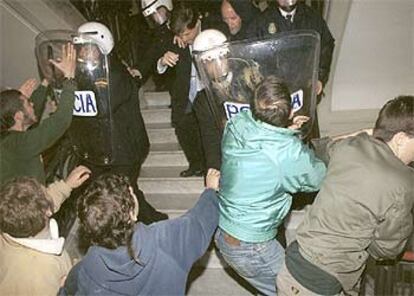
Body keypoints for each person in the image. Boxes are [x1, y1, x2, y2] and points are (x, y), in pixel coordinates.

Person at [276, 95, 414, 296]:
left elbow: (318, 151)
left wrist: (360, 137)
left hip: (293, 262)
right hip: (323, 281)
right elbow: (387, 249)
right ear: (400, 139)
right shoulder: (403, 182)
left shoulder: (351, 145)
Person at [214, 76, 326, 296]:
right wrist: (291, 135)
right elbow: (317, 177)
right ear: (291, 110)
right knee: (296, 292)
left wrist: (286, 128)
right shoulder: (287, 151)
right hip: (252, 246)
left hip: (226, 232)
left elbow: (263, 140)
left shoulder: (237, 123)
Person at [59, 169, 220, 295]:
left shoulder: (88, 269)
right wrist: (211, 190)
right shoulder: (167, 239)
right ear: (132, 214)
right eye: (131, 194)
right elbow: (200, 222)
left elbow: (69, 289)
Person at [247, 0, 335, 138]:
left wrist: (320, 77)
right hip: (277, 97)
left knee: (307, 137)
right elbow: (252, 58)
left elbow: (326, 46)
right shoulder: (261, 22)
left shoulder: (312, 18)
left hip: (304, 92)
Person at [0, 166, 90, 295]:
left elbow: (32, 203)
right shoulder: (42, 273)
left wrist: (66, 185)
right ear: (48, 211)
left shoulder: (10, 221)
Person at [0, 43, 77, 185]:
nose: (32, 103)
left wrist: (45, 82)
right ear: (18, 116)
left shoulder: (9, 140)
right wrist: (70, 78)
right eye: (28, 103)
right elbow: (60, 121)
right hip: (28, 206)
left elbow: (29, 114)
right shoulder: (19, 144)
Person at [157, 4, 209, 176]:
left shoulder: (211, 33)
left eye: (187, 34)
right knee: (183, 128)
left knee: (207, 131)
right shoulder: (178, 40)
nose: (184, 38)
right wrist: (163, 61)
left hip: (207, 93)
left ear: (197, 23)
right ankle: (195, 164)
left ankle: (210, 166)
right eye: (180, 35)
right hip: (186, 93)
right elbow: (158, 60)